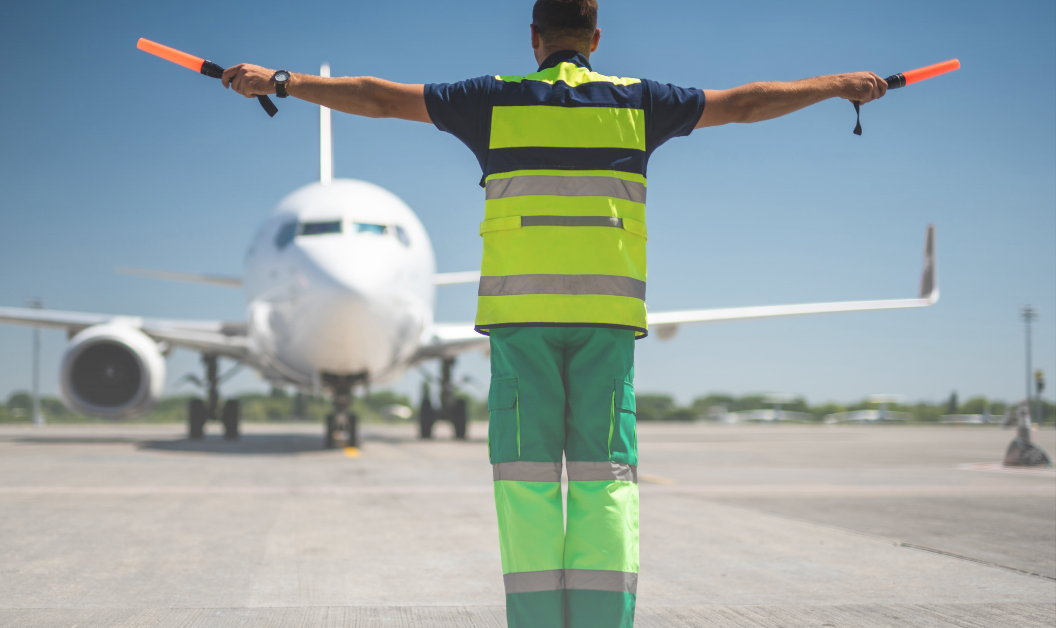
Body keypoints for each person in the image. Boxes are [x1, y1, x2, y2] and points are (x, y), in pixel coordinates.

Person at [221, 1, 886, 626]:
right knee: (604, 487)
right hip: (605, 324)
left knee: (527, 487)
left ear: (533, 38)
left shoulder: (492, 100)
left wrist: (283, 81)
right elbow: (744, 105)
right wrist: (836, 85)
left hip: (522, 325)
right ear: (596, 39)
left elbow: (377, 98)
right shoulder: (638, 103)